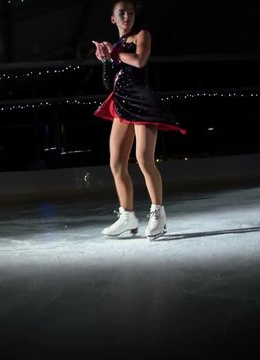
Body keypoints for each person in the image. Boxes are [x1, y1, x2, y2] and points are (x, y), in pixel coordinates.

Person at [92, 0, 186, 241]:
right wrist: (104, 60)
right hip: (122, 104)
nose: (127, 17)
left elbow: (139, 61)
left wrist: (114, 54)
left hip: (143, 102)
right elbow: (108, 82)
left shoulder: (141, 35)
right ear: (113, 19)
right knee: (116, 164)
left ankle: (158, 214)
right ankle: (128, 216)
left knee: (144, 159)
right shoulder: (116, 46)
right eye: (121, 13)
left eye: (131, 13)